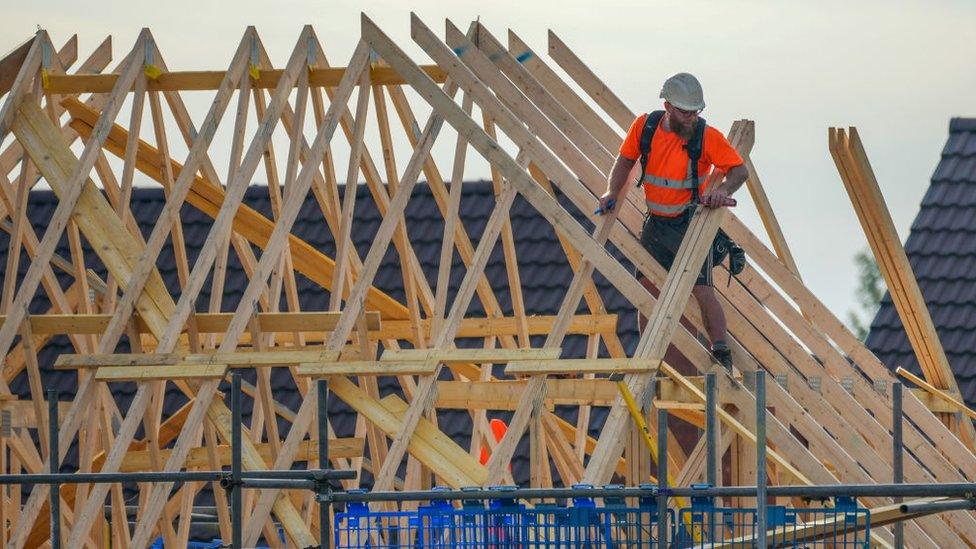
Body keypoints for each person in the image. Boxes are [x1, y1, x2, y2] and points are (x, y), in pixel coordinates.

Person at [597, 72, 748, 370]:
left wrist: (722, 190)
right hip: (656, 222)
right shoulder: (646, 127)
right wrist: (612, 191)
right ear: (667, 106)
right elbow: (626, 160)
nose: (691, 118)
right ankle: (648, 356)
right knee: (647, 286)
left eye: (695, 112)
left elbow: (740, 172)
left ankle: (720, 352)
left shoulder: (706, 136)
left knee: (702, 289)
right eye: (684, 112)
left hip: (689, 223)